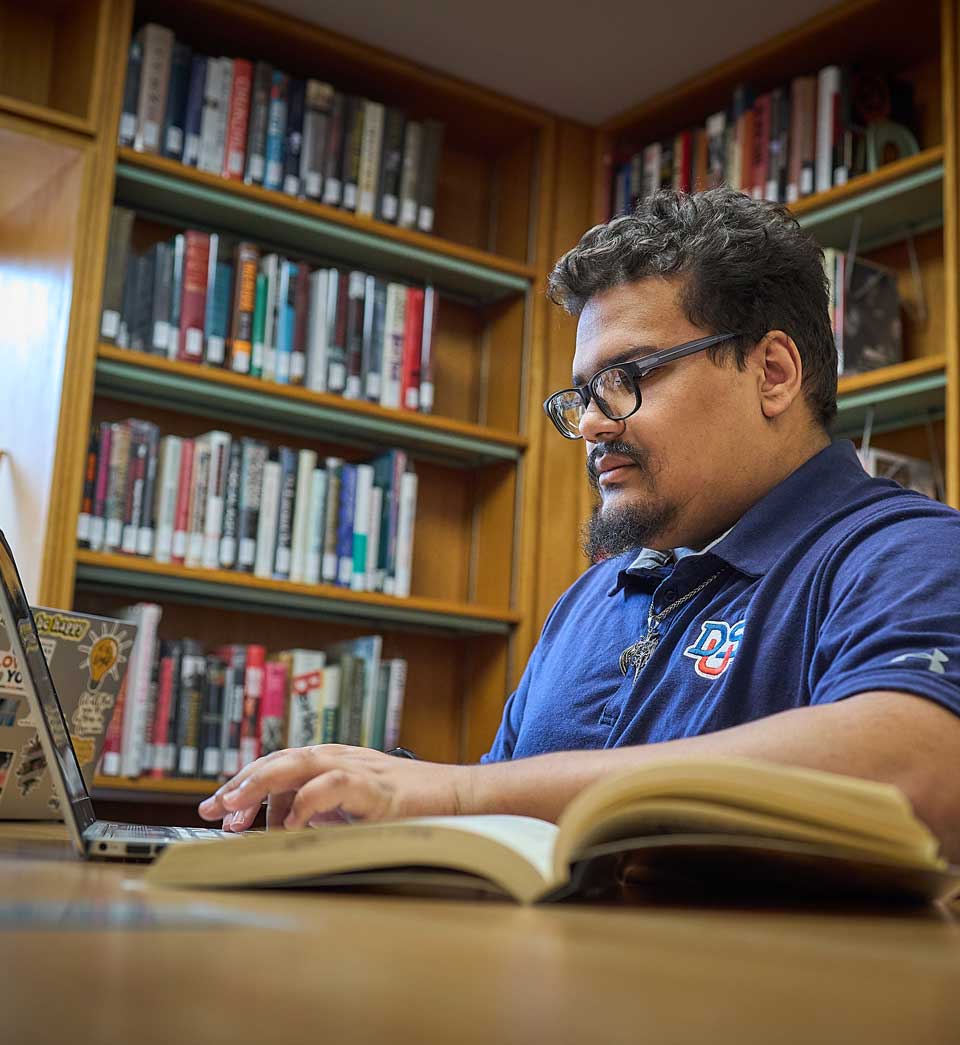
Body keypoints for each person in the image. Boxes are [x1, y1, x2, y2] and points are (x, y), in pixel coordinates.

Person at [199, 188, 960, 862]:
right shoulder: (591, 601)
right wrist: (367, 811)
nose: (593, 422)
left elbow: (921, 768)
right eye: (585, 392)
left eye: (628, 378)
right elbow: (509, 821)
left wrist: (458, 795)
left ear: (773, 373)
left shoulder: (908, 554)